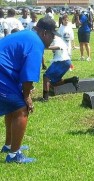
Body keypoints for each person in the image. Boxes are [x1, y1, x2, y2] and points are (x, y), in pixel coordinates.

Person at [0, 17, 57, 163]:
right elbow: (28, 75)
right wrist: (27, 97)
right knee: (21, 109)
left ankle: (9, 145)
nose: (53, 39)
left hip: (5, 74)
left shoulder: (28, 35)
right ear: (45, 33)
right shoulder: (36, 43)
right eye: (52, 35)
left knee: (13, 108)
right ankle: (14, 155)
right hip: (2, 75)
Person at [41, 36, 79, 101]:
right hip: (66, 62)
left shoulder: (56, 39)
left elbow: (59, 47)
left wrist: (46, 47)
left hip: (61, 61)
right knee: (54, 83)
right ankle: (72, 80)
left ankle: (45, 98)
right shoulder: (57, 39)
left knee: (46, 76)